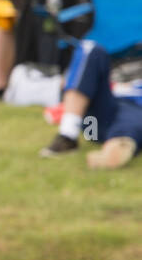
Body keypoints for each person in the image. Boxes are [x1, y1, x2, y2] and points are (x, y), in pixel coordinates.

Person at [39, 39, 142, 168]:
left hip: (133, 113)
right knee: (90, 48)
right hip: (93, 124)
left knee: (130, 125)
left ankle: (118, 148)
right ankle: (67, 135)